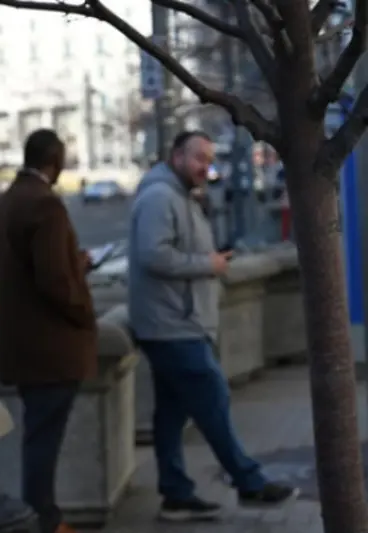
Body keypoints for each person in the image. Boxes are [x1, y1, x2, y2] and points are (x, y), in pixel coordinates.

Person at [127, 130, 299, 522]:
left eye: (209, 160)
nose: (205, 167)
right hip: (172, 324)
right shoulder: (160, 197)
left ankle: (176, 495)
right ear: (176, 156)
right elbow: (153, 255)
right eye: (198, 159)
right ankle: (249, 482)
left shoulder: (179, 195)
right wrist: (208, 264)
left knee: (171, 415)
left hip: (174, 321)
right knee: (213, 397)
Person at [0, 129, 97, 533]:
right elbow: (55, 282)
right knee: (44, 441)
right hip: (52, 347)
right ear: (56, 161)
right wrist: (85, 314)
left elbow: (29, 268)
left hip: (22, 343)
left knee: (38, 436)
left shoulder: (8, 202)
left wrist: (74, 263)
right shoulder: (45, 205)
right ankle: (44, 520)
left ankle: (42, 516)